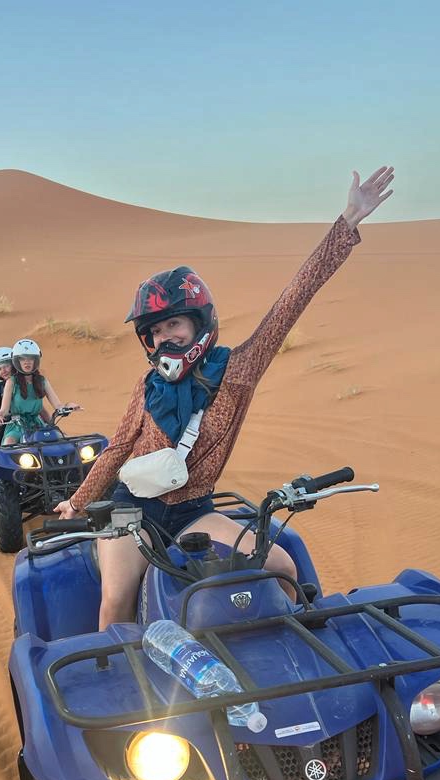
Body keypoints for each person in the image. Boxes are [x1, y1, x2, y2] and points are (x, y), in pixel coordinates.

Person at [55, 166, 395, 629]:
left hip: (194, 510)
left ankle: (293, 657)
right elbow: (117, 449)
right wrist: (77, 502)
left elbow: (289, 304)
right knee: (116, 601)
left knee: (282, 567)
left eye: (172, 324)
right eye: (153, 331)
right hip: (131, 509)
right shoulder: (148, 385)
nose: (162, 339)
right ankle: (122, 693)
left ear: (197, 322)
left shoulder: (237, 371)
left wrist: (347, 222)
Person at [0, 339, 80, 445]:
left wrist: (68, 406)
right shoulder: (11, 381)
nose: (27, 362)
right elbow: (4, 410)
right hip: (17, 426)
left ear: (36, 360)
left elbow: (58, 405)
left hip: (37, 424)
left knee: (64, 440)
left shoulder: (42, 380)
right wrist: (0, 416)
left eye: (31, 358)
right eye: (22, 359)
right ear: (17, 361)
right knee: (9, 444)